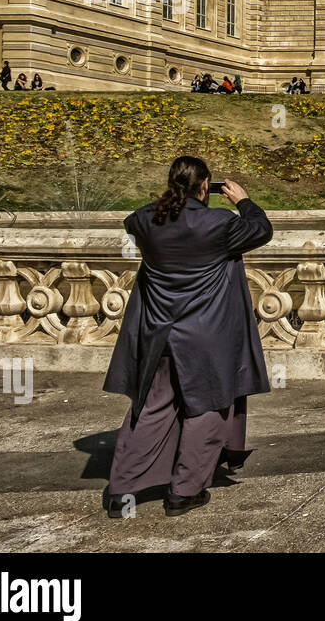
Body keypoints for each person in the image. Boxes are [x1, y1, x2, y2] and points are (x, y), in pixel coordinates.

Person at [102, 157, 273, 517]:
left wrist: (169, 199)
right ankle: (184, 491)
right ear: (204, 186)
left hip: (159, 333)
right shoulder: (220, 223)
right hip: (207, 336)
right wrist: (242, 200)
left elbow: (132, 218)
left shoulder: (148, 221)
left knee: (150, 406)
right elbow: (261, 229)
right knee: (206, 408)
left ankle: (122, 489)